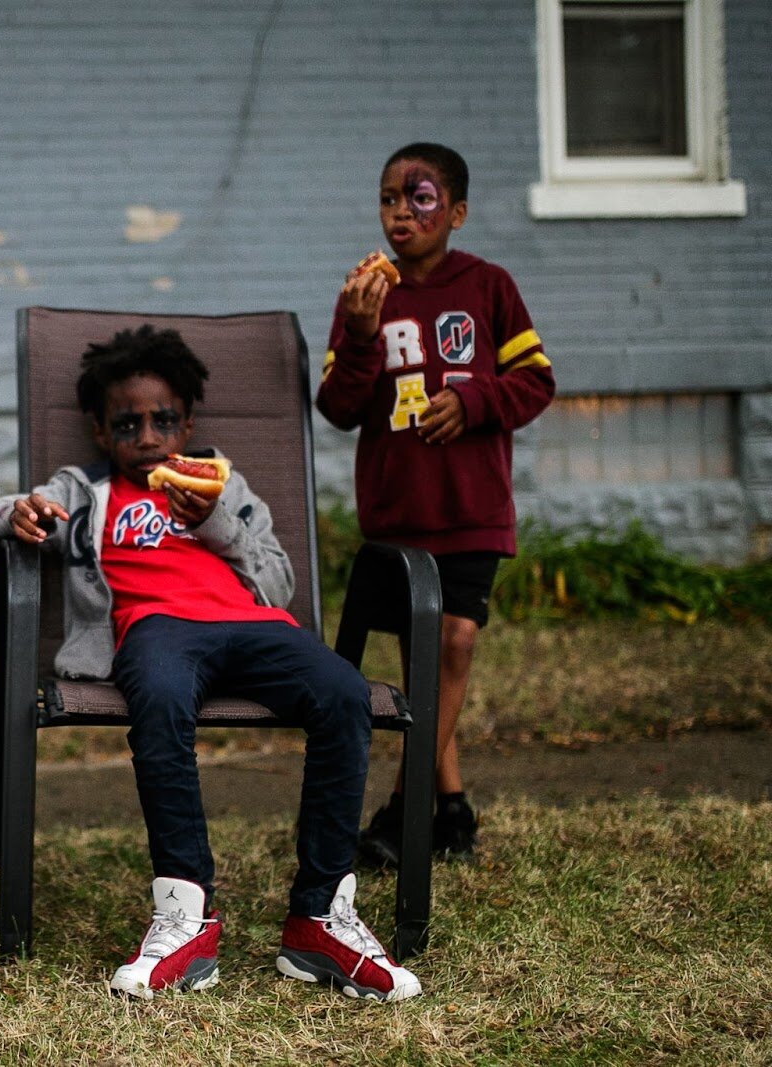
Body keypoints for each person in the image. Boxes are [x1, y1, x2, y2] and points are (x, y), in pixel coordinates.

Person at [0, 325, 422, 1003]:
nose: (148, 437)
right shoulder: (86, 491)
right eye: (128, 423)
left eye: (164, 420)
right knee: (158, 696)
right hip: (156, 629)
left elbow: (279, 584)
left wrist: (216, 521)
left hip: (253, 626)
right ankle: (186, 914)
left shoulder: (225, 484)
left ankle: (319, 918)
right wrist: (20, 512)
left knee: (343, 691)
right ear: (99, 430)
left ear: (186, 422)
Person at [316, 142, 555, 864]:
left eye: (418, 199)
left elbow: (536, 381)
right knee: (426, 662)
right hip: (398, 512)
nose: (400, 213)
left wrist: (476, 399)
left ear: (455, 211)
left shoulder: (489, 286)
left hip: (472, 507)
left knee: (456, 641)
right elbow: (337, 405)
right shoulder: (363, 293)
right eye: (389, 198)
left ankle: (403, 808)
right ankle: (451, 810)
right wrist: (360, 336)